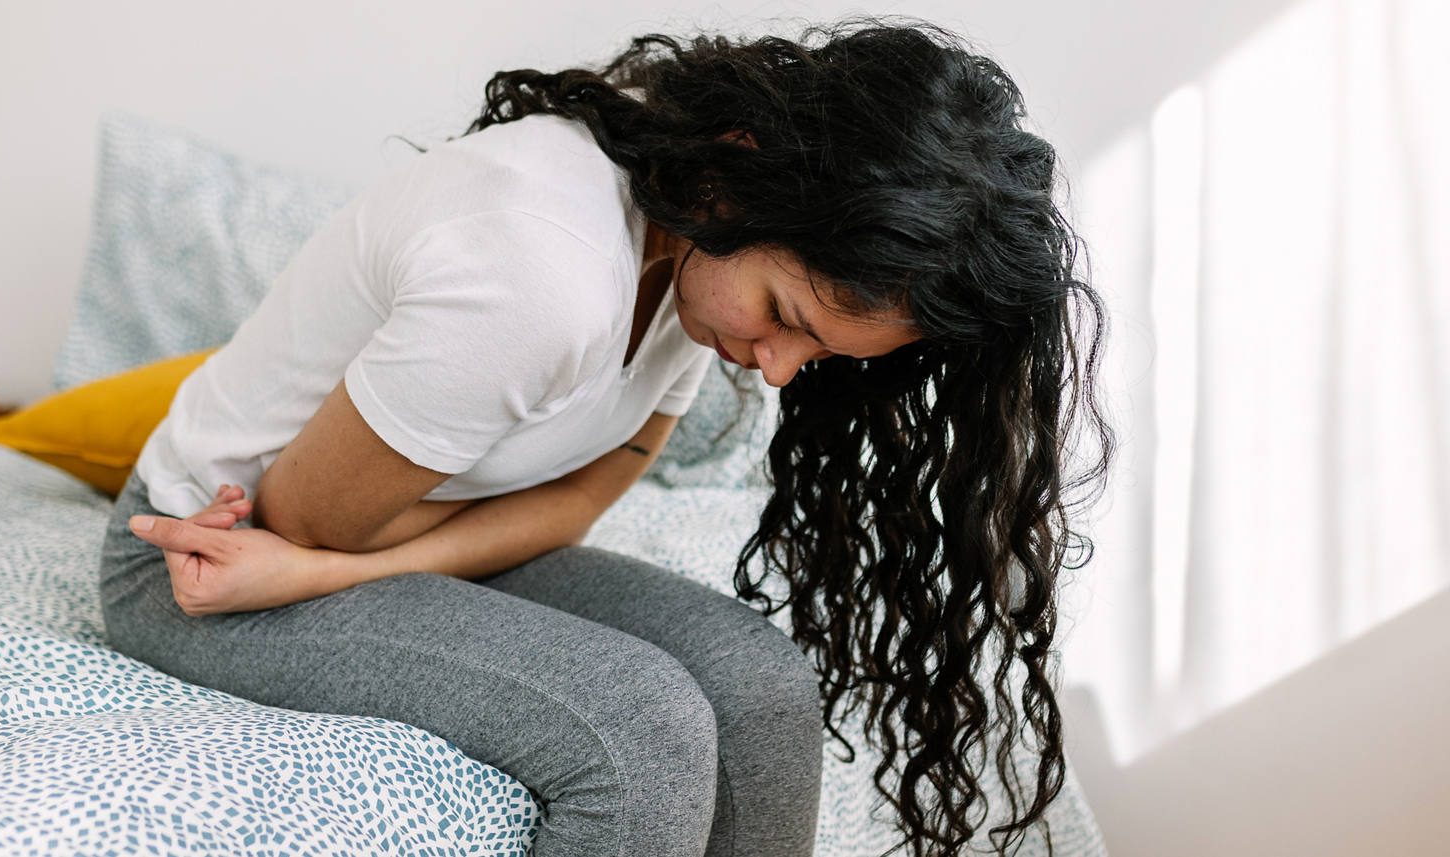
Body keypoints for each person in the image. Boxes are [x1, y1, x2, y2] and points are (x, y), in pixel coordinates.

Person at [98, 15, 1112, 857]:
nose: (774, 368)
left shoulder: (685, 245)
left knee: (761, 682)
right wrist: (318, 563)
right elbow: (309, 521)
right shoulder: (542, 272)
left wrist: (318, 575)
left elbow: (579, 502)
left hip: (322, 556)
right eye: (787, 316)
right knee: (640, 727)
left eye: (818, 353)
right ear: (744, 174)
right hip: (206, 564)